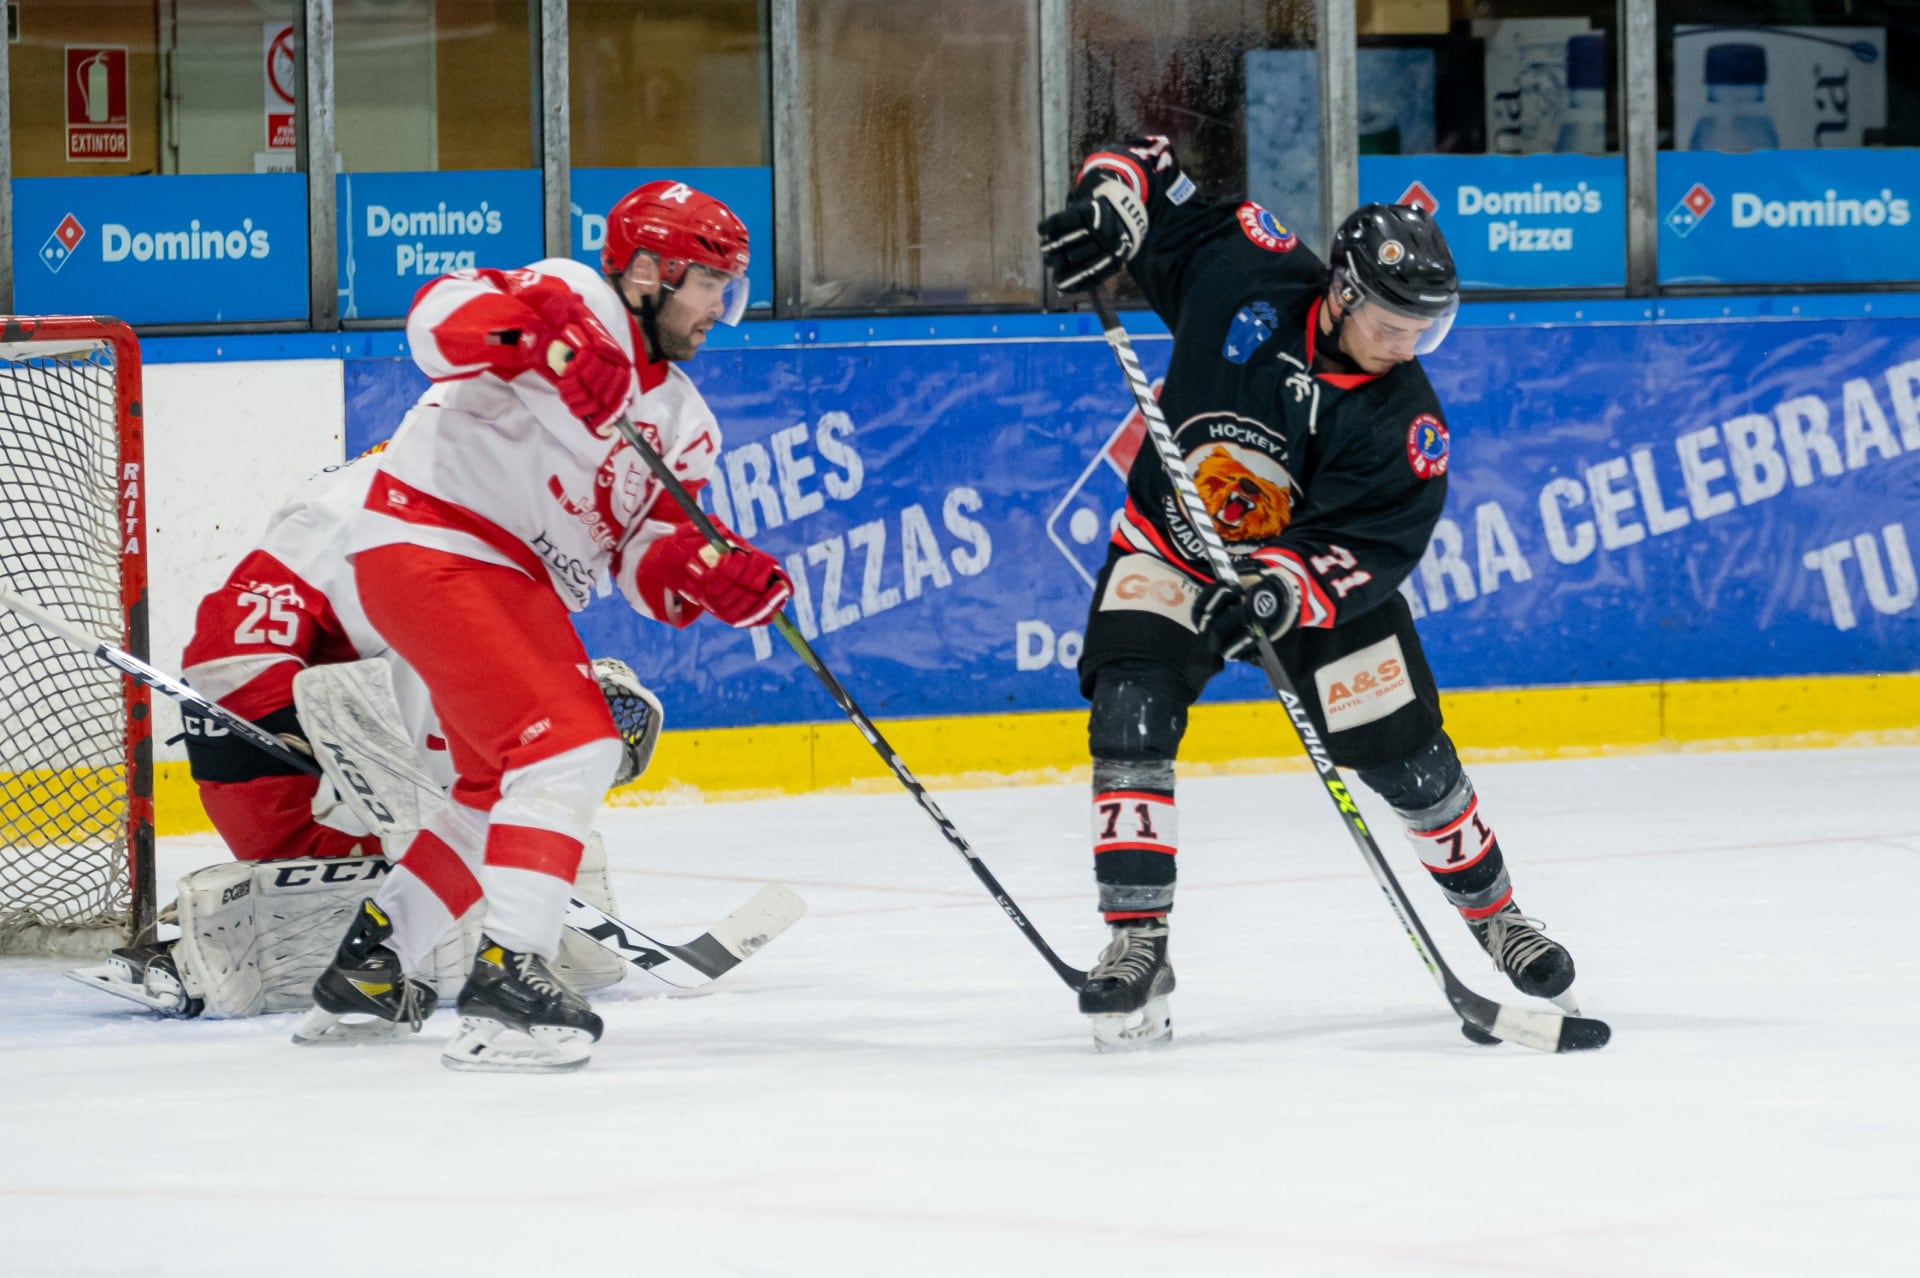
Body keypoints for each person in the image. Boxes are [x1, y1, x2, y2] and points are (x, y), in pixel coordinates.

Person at [1038, 135, 1577, 1050]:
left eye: (1426, 330)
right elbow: (1146, 165)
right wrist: (1105, 207)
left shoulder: (1406, 421)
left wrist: (1283, 585)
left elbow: (1373, 542)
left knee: (1404, 757)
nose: (1407, 347)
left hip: (1301, 588)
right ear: (1341, 292)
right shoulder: (1248, 270)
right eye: (1392, 325)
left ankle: (1497, 916)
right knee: (1130, 713)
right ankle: (1137, 941)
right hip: (1172, 549)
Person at [300, 179, 792, 1073]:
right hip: (431, 538)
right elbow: (434, 321)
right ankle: (507, 980)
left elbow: (649, 564)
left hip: (510, 583)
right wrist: (544, 338)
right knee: (572, 747)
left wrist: (712, 573)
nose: (722, 308)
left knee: (494, 787)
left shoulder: (684, 421)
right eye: (711, 283)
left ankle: (377, 964)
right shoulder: (567, 290)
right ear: (648, 270)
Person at [68, 449, 658, 1019]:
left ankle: (245, 915)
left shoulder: (435, 491)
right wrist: (336, 759)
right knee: (464, 857)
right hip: (286, 770)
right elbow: (229, 659)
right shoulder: (377, 512)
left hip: (317, 748)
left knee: (481, 828)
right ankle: (206, 949)